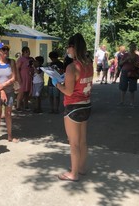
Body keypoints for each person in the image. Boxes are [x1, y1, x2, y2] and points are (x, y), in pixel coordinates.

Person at [53, 33, 93, 182]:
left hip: (73, 107)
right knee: (83, 141)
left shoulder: (71, 67)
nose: (67, 50)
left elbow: (68, 91)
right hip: (86, 105)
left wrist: (57, 84)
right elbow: (80, 82)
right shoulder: (89, 63)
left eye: (68, 47)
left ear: (73, 47)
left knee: (73, 143)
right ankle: (81, 168)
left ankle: (73, 173)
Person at [0, 43, 18, 144]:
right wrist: (1, 90)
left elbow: (13, 78)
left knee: (8, 114)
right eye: (3, 49)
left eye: (7, 49)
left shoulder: (11, 62)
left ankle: (10, 135)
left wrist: (3, 86)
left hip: (9, 91)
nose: (6, 51)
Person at [16, 46, 34, 111]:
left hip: (29, 77)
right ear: (23, 52)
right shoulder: (21, 59)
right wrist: (18, 78)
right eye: (26, 51)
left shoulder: (31, 59)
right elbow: (17, 69)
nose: (28, 53)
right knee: (21, 91)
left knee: (27, 91)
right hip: (23, 76)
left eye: (29, 51)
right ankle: (18, 105)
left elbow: (33, 67)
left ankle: (26, 105)